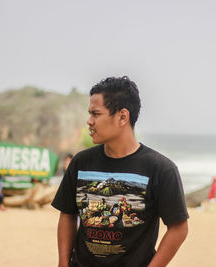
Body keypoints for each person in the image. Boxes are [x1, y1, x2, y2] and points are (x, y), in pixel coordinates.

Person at [52, 76, 189, 267]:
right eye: (89, 114)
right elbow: (67, 214)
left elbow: (179, 228)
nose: (89, 121)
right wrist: (63, 263)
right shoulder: (81, 162)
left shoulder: (161, 169)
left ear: (122, 116)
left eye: (96, 114)